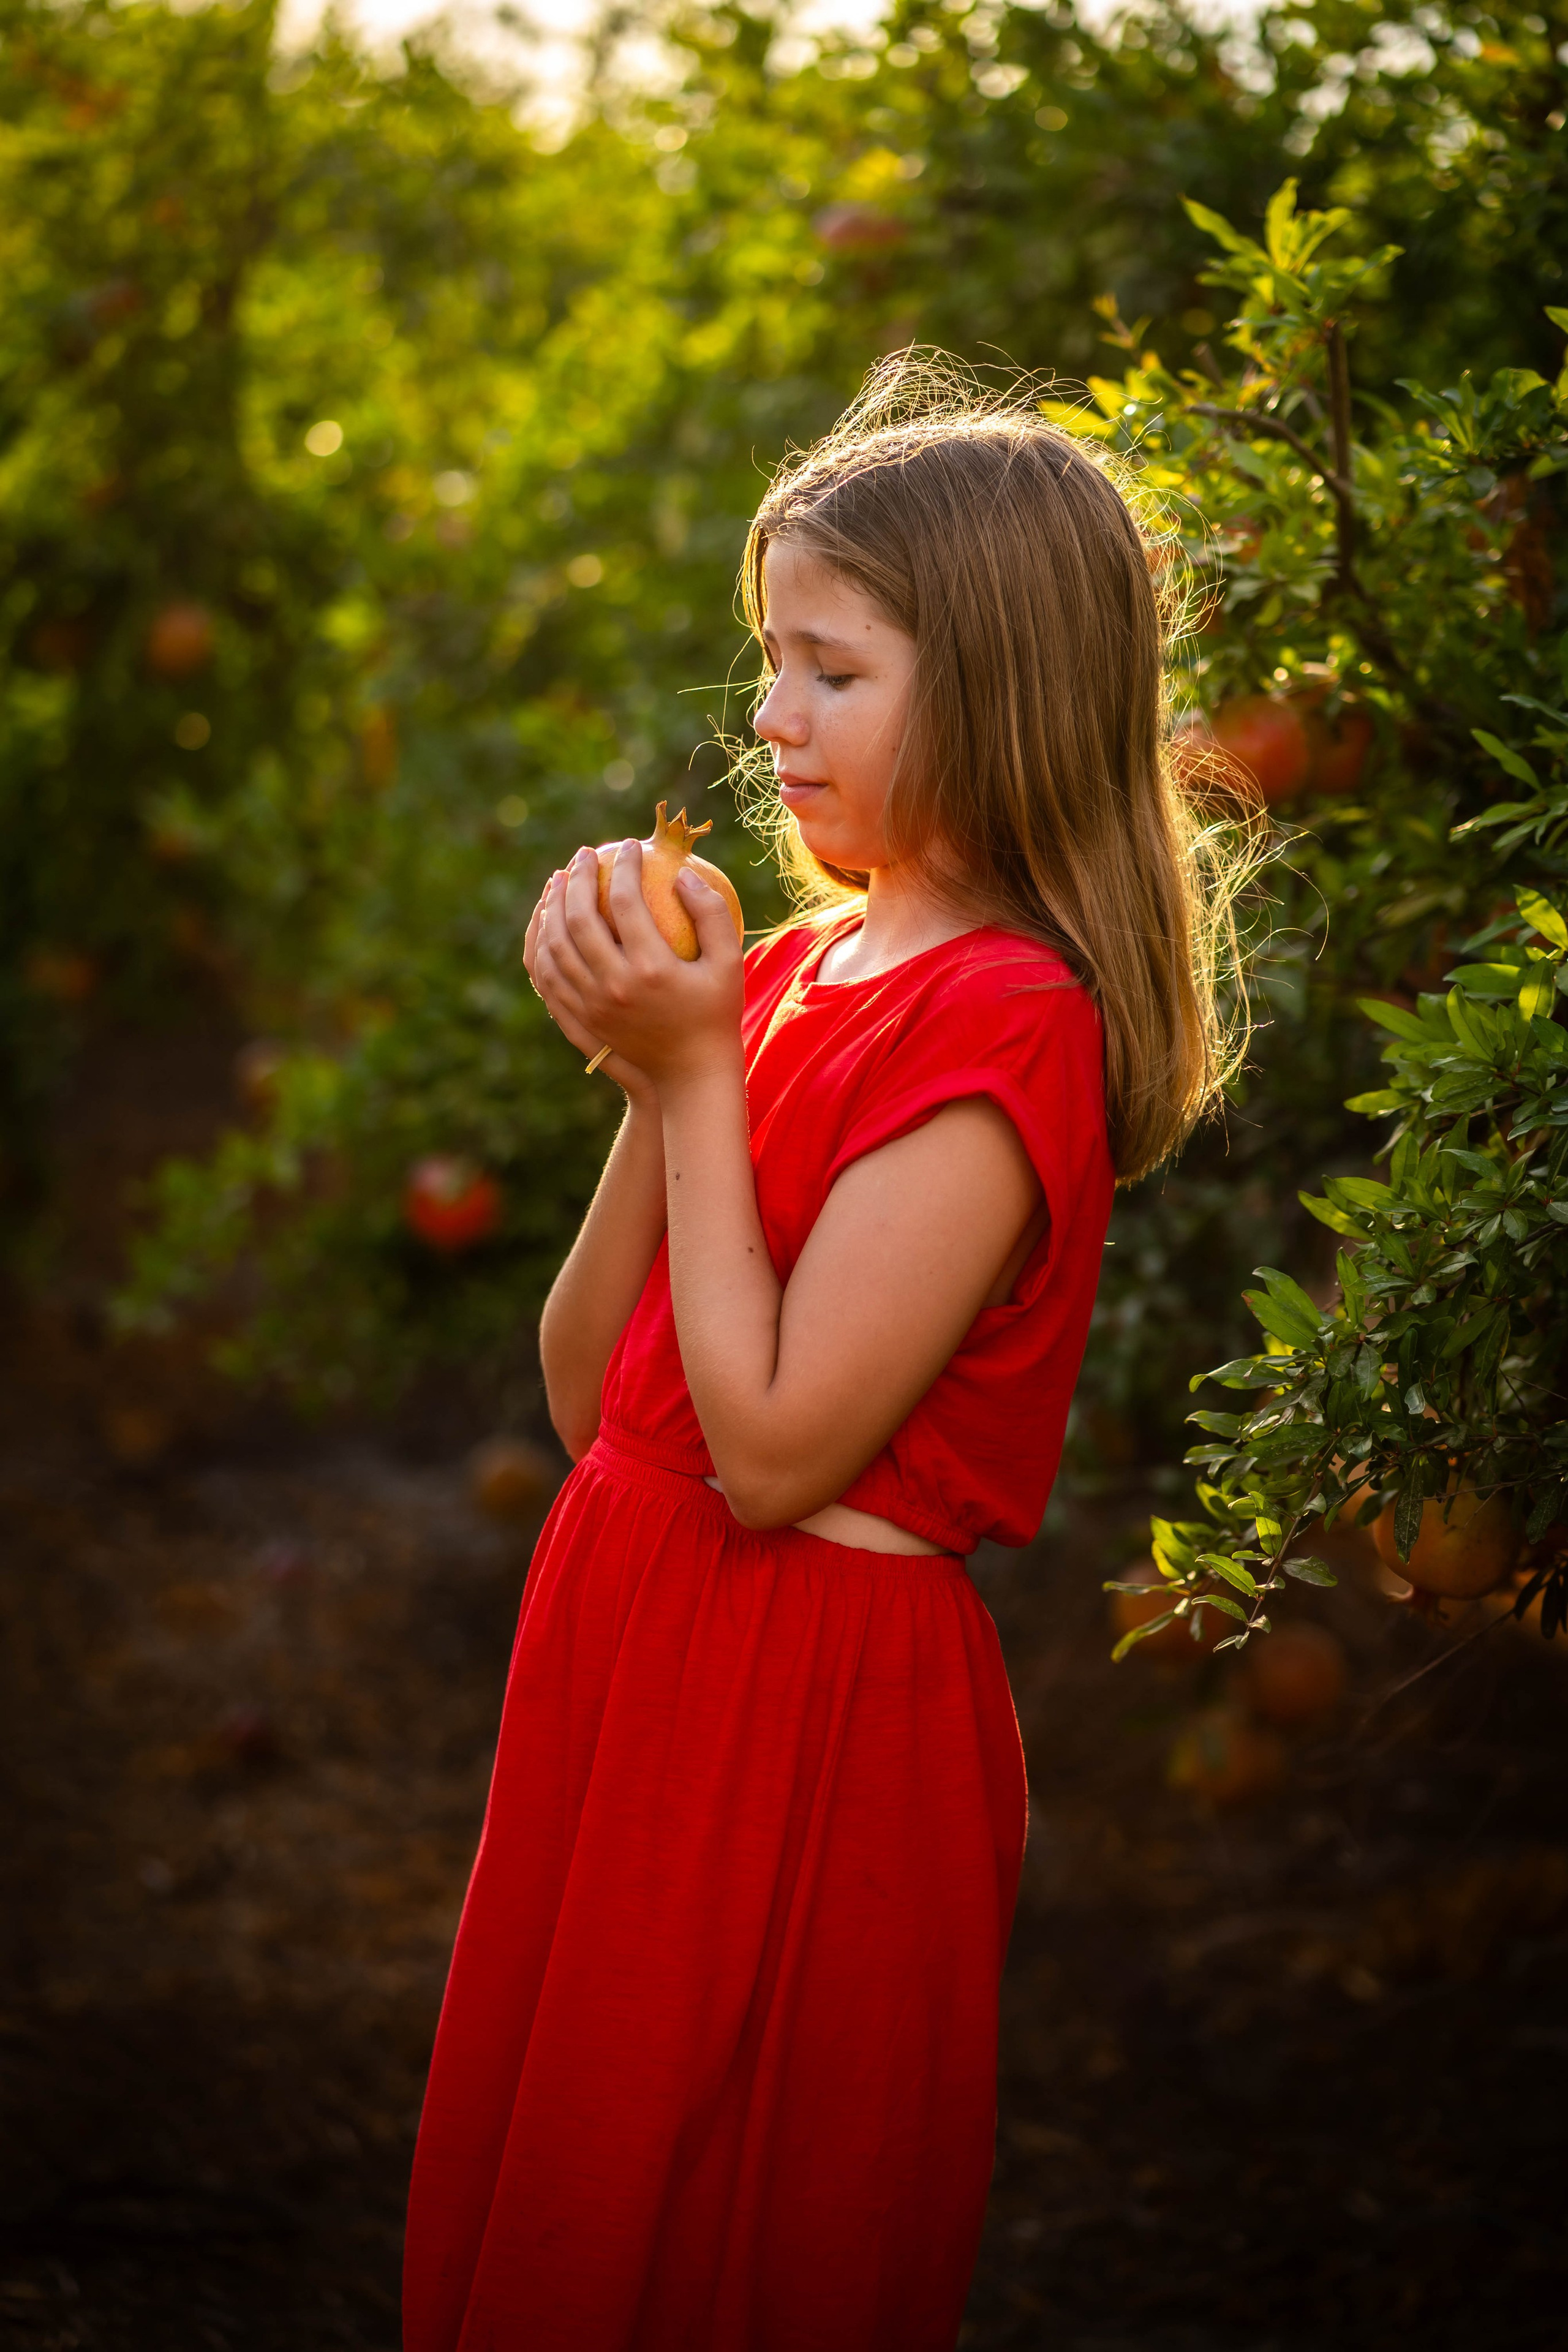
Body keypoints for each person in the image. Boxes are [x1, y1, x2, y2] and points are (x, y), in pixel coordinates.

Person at [402, 359, 1244, 2352]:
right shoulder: (789, 973)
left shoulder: (1003, 1024)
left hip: (806, 1702)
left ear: (1002, 693)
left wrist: (699, 1079)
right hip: (637, 1632)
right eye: (767, 660)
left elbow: (776, 1456)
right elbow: (591, 1385)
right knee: (577, 2193)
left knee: (727, 2228)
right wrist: (654, 1070)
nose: (768, 716)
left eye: (830, 670)